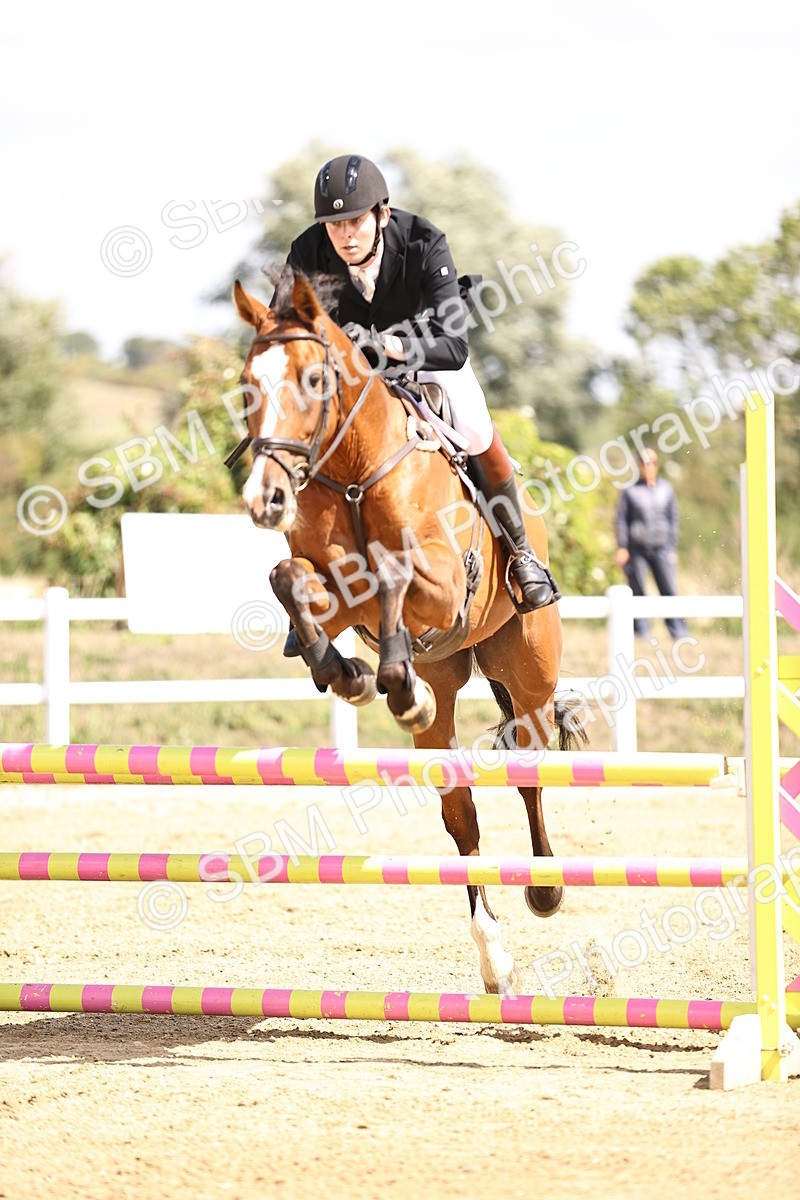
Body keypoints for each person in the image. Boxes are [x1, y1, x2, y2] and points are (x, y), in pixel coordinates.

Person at [279, 153, 560, 614]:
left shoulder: (424, 242)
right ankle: (312, 581)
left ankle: (521, 553)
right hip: (350, 379)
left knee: (474, 428)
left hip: (425, 358)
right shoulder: (308, 252)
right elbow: (286, 330)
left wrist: (386, 346)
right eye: (334, 225)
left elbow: (454, 347)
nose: (345, 235)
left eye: (354, 222)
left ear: (381, 215)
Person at [613, 448, 689, 639]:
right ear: (639, 465)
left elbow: (673, 519)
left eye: (651, 462)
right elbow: (621, 520)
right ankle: (641, 632)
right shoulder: (630, 492)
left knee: (669, 590)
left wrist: (672, 546)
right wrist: (622, 547)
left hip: (663, 548)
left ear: (656, 464)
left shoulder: (666, 489)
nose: (647, 466)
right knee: (637, 591)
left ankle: (678, 631)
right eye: (644, 462)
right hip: (637, 549)